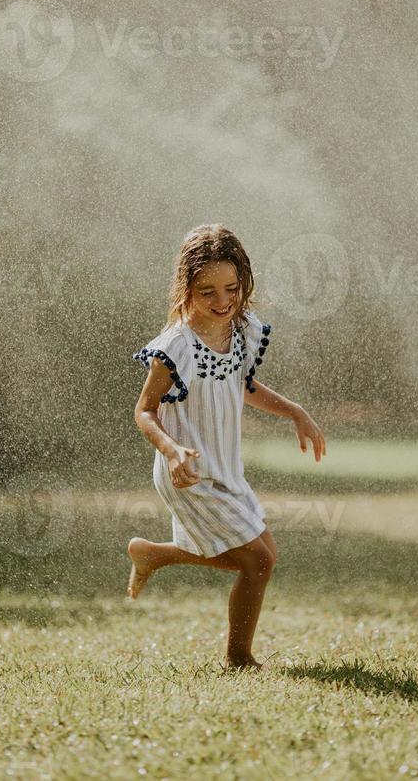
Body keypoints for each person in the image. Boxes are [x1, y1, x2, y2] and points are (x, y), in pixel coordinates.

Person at [128, 223, 326, 670]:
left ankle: (154, 554)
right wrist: (172, 450)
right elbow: (144, 410)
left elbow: (243, 385)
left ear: (244, 283)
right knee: (256, 562)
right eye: (207, 292)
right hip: (187, 471)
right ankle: (239, 659)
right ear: (187, 288)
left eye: (231, 289)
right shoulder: (177, 345)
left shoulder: (240, 331)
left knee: (264, 557)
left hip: (225, 467)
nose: (222, 302)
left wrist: (295, 410)